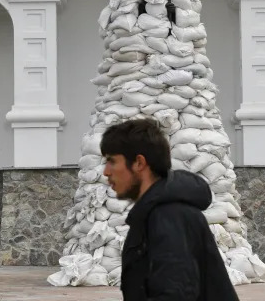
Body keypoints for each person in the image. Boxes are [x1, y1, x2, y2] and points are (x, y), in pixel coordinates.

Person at [101, 117, 239, 301]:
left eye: (112, 161)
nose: (106, 171)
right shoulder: (155, 212)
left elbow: (175, 292)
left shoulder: (168, 215)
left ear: (139, 163)